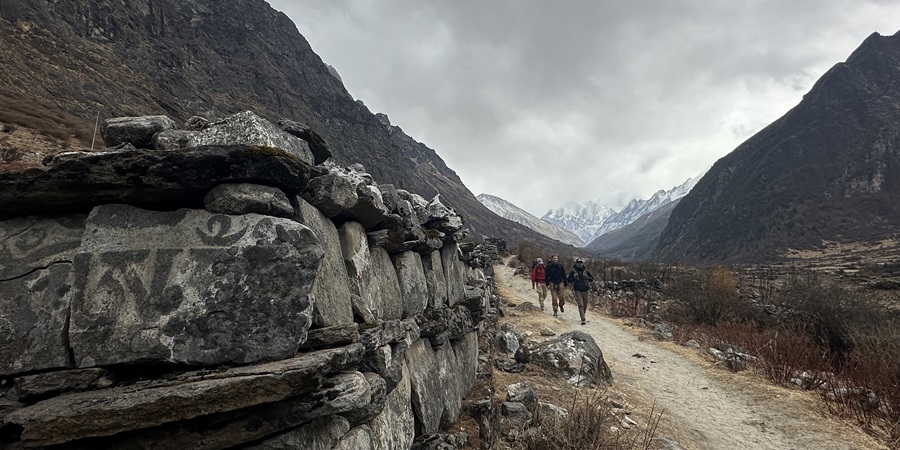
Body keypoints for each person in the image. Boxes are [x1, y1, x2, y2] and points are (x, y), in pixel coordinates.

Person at [567, 258, 594, 325]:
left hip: (585, 289)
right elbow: (568, 279)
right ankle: (583, 318)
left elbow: (592, 278)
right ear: (576, 263)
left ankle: (583, 314)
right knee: (580, 304)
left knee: (585, 304)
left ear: (582, 263)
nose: (579, 264)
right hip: (577, 290)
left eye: (580, 263)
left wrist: (587, 278)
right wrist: (574, 277)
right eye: (578, 263)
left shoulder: (586, 271)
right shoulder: (573, 271)